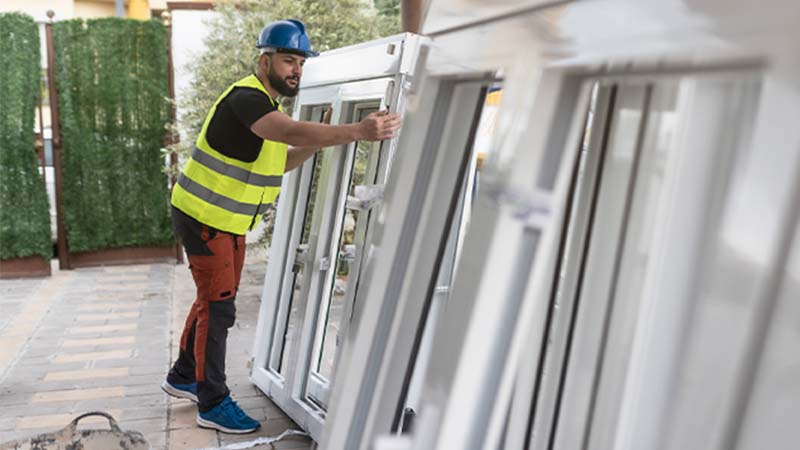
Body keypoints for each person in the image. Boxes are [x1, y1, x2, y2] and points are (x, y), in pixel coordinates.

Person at [160, 19, 401, 434]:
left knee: (213, 299)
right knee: (219, 307)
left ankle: (184, 375)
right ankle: (211, 402)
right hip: (204, 217)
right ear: (264, 60)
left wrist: (327, 138)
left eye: (301, 63)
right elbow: (287, 131)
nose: (296, 70)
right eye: (289, 60)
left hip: (225, 219)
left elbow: (282, 160)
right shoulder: (247, 99)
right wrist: (358, 130)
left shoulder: (267, 106)